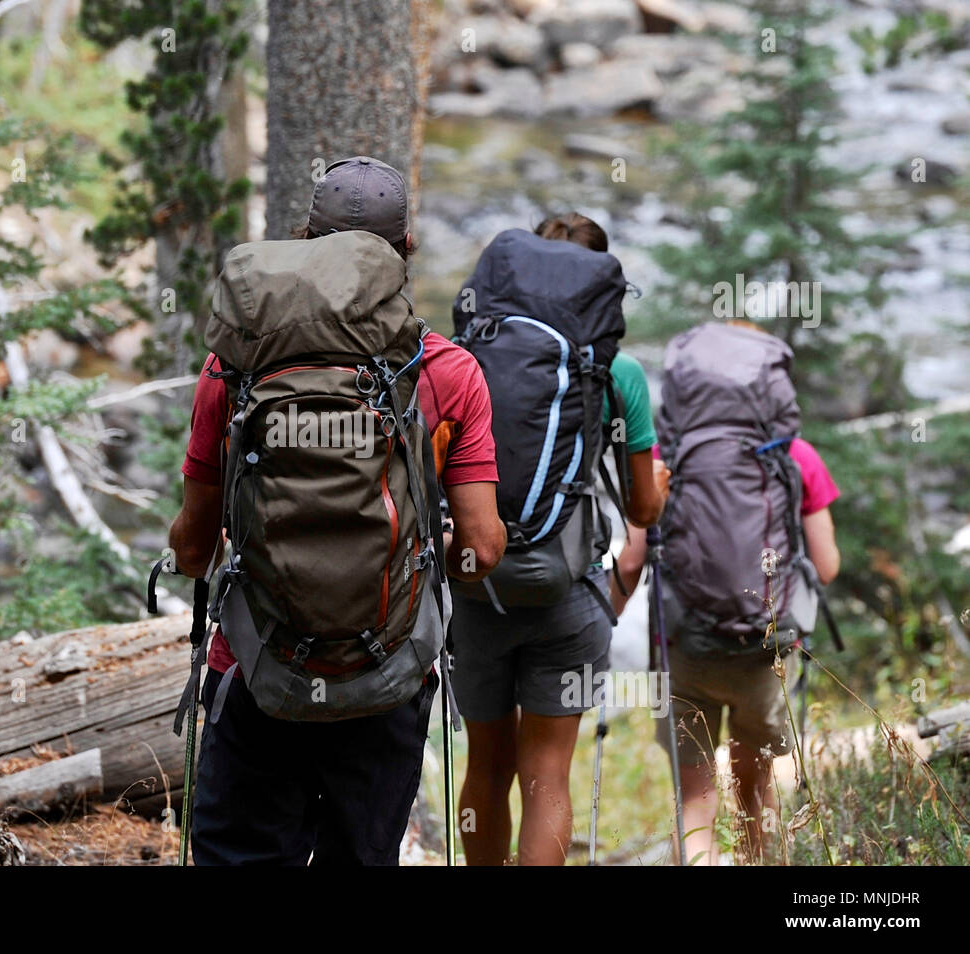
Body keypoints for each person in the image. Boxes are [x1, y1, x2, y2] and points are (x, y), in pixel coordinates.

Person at [168, 156, 506, 866]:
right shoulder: (446, 372)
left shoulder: (231, 367)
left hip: (259, 666)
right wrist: (404, 552)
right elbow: (482, 548)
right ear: (407, 251)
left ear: (305, 238)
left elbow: (194, 549)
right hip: (384, 674)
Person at [449, 212, 668, 866]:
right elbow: (641, 509)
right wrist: (659, 482)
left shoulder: (468, 354)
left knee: (486, 765)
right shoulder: (617, 372)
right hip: (566, 591)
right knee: (547, 771)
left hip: (476, 586)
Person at [612, 318, 842, 865]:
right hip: (765, 654)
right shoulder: (795, 457)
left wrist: (604, 616)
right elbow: (828, 567)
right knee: (756, 788)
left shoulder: (664, 461)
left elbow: (633, 559)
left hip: (686, 646)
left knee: (695, 796)